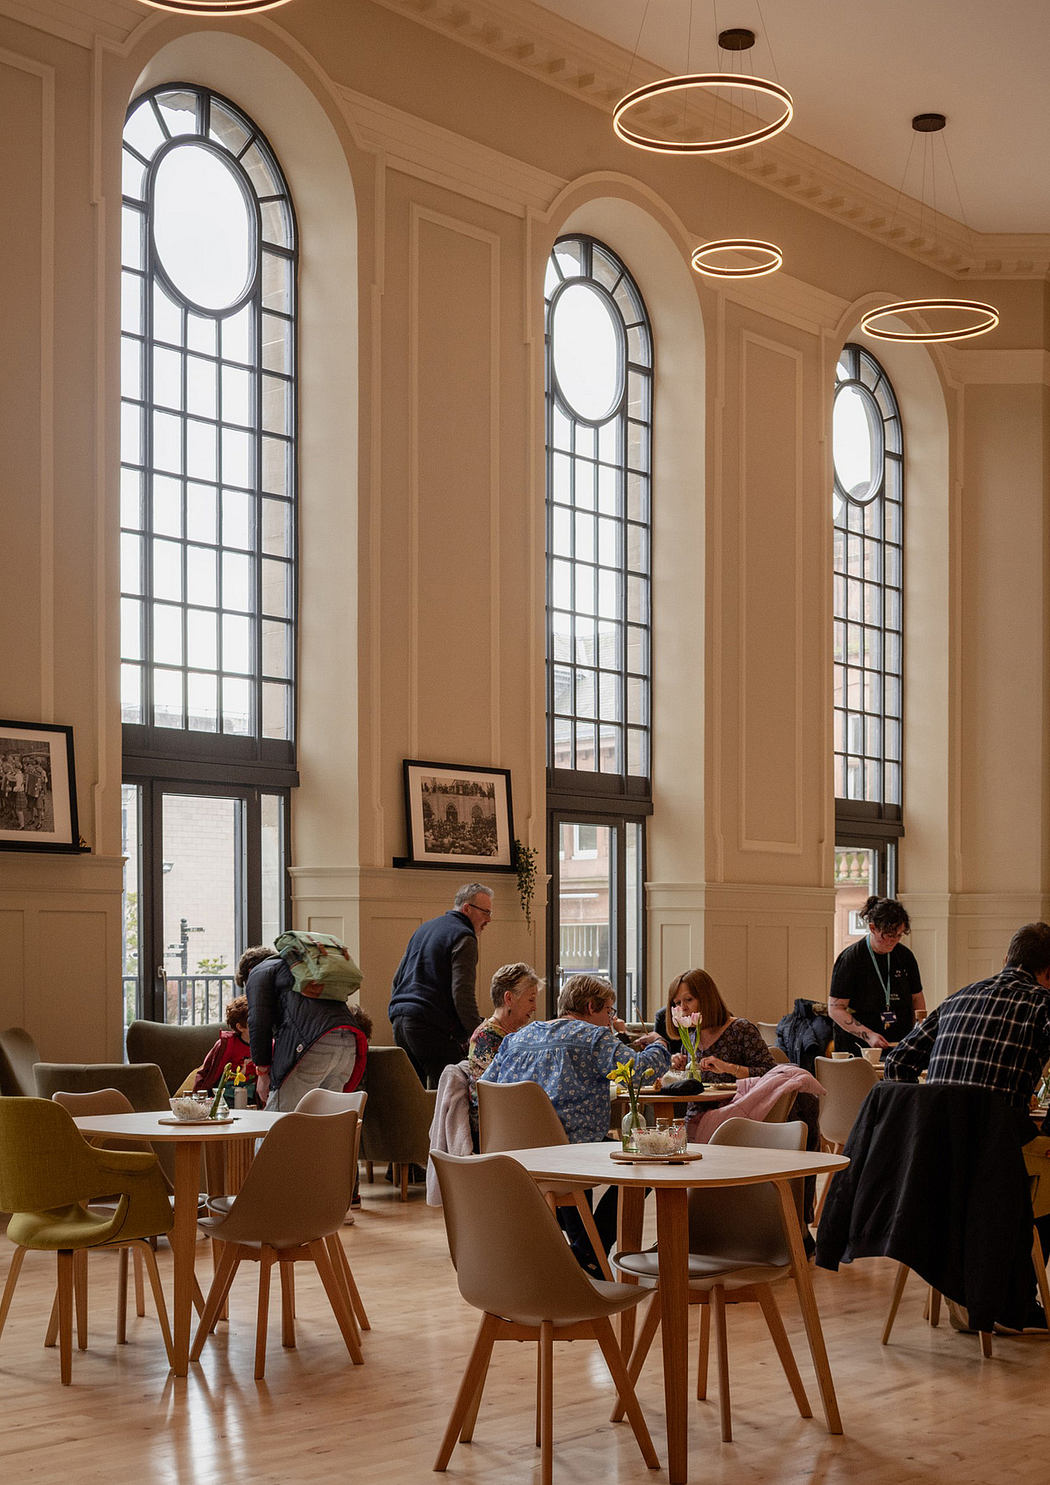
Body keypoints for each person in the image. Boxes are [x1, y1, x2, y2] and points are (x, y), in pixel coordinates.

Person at [884, 921, 1050, 1332]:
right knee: (1048, 1182)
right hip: (995, 1154)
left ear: (1009, 958)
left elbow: (897, 1063)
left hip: (932, 1154)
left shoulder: (959, 997)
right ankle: (1016, 1301)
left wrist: (928, 1120)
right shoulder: (1043, 1004)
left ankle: (974, 1290)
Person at [481, 973, 670, 1272]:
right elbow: (639, 1072)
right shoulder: (592, 1038)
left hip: (515, 1158)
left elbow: (484, 1090)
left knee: (577, 1151)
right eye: (609, 1011)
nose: (610, 1020)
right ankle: (588, 1252)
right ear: (592, 1006)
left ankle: (584, 1255)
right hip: (570, 1155)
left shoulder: (516, 1039)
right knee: (649, 1160)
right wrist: (659, 1044)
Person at [243, 942, 373, 1111]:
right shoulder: (301, 968)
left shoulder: (259, 973)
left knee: (276, 1125)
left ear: (248, 973)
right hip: (347, 1044)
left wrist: (262, 1072)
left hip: (312, 1046)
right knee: (324, 1125)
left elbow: (258, 1022)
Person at [387, 882, 493, 1087]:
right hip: (429, 1026)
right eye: (486, 912)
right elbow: (462, 994)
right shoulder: (464, 937)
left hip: (400, 1021)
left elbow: (397, 980)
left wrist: (399, 1013)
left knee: (414, 1097)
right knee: (449, 1093)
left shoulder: (424, 928)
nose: (489, 919)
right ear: (467, 908)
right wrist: (477, 1034)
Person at [828, 895, 926, 1052]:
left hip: (898, 1042)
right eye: (888, 935)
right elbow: (835, 1009)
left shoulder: (905, 956)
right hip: (859, 1045)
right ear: (873, 928)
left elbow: (917, 999)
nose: (893, 940)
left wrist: (920, 1032)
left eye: (899, 935)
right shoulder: (851, 958)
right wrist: (869, 1035)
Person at [655, 968, 776, 1081]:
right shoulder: (690, 1039)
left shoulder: (741, 1029)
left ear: (706, 999)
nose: (683, 1008)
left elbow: (770, 1073)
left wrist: (728, 1068)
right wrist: (678, 1070)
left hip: (738, 1103)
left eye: (689, 999)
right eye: (677, 1003)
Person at [466, 962, 540, 1135]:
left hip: (517, 1114)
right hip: (494, 1125)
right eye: (530, 999)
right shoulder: (485, 1037)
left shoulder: (519, 1035)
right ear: (509, 998)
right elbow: (488, 1095)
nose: (535, 1007)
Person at [193, 994, 256, 1095]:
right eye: (253, 1023)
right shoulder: (226, 1044)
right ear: (240, 1027)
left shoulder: (266, 1045)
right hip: (226, 1095)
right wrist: (198, 1095)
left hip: (253, 1096)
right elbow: (206, 1070)